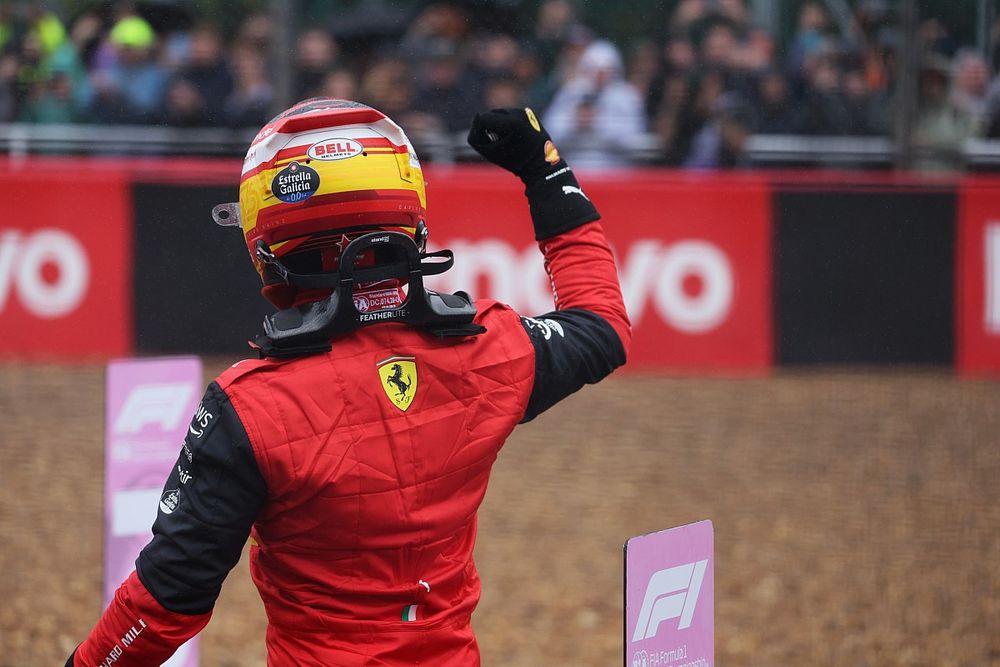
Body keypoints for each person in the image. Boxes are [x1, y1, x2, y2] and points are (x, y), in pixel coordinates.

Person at [66, 98, 630, 665]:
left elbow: (166, 602)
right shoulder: (487, 348)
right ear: (409, 219)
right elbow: (602, 326)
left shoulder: (249, 407)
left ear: (266, 245)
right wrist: (545, 168)